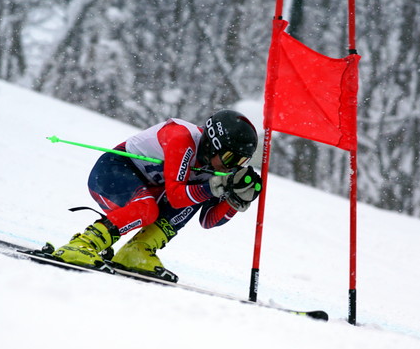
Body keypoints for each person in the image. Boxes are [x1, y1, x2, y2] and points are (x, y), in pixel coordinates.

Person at [51, 109, 262, 282]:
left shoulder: (217, 167)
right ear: (213, 144)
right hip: (112, 173)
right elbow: (177, 195)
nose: (233, 167)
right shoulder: (182, 138)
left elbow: (208, 221)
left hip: (149, 189)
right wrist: (213, 187)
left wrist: (235, 201)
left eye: (241, 162)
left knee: (195, 195)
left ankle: (136, 251)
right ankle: (83, 244)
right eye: (230, 158)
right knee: (151, 207)